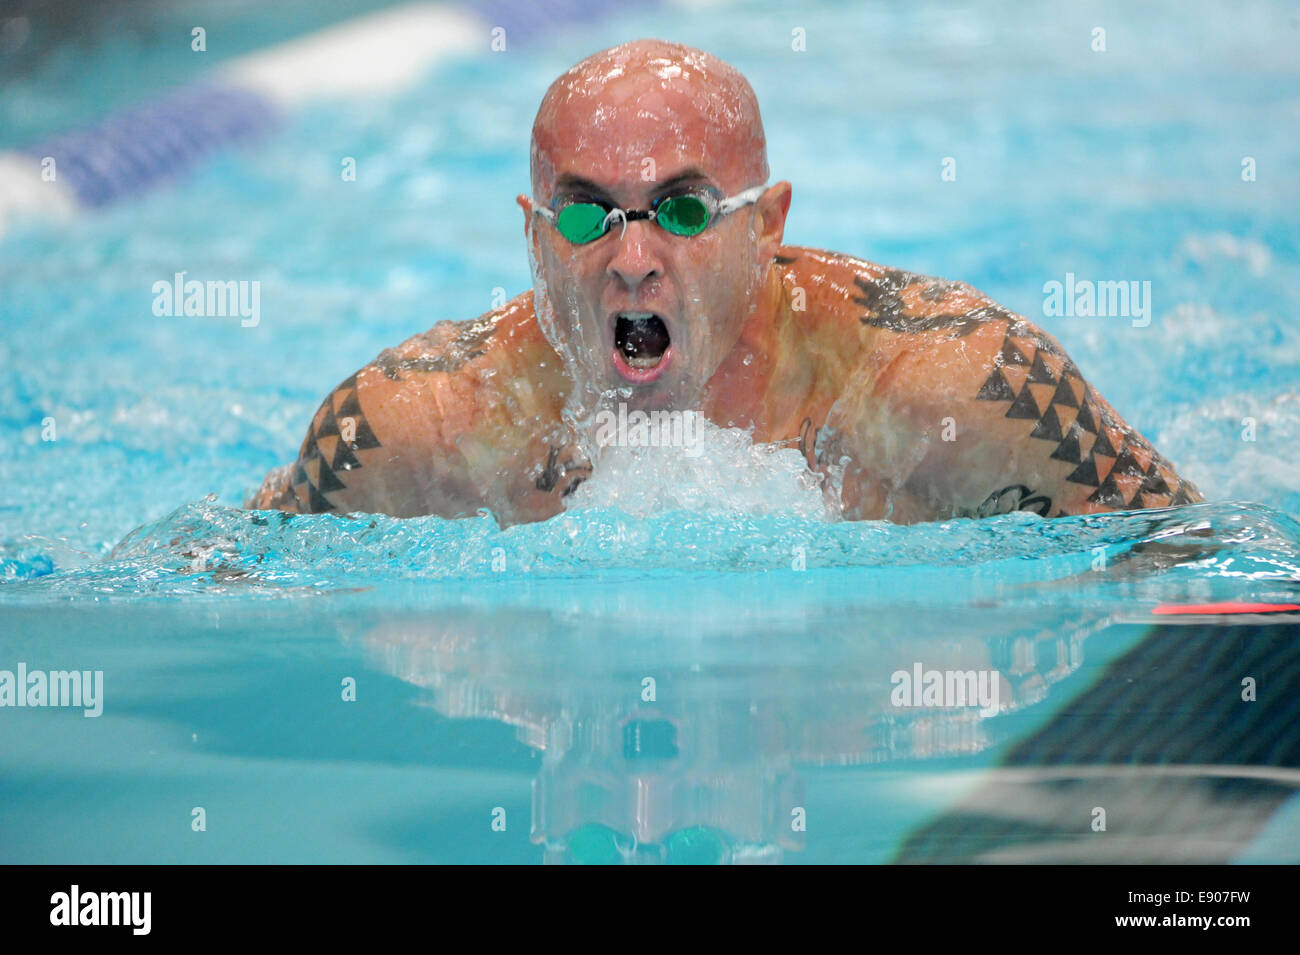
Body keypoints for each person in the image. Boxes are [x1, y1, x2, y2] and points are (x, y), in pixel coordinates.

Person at [249, 39, 1202, 526]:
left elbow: (1203, 564)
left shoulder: (955, 388)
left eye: (685, 210)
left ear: (769, 224)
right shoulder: (416, 428)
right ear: (534, 242)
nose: (631, 259)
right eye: (584, 215)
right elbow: (222, 574)